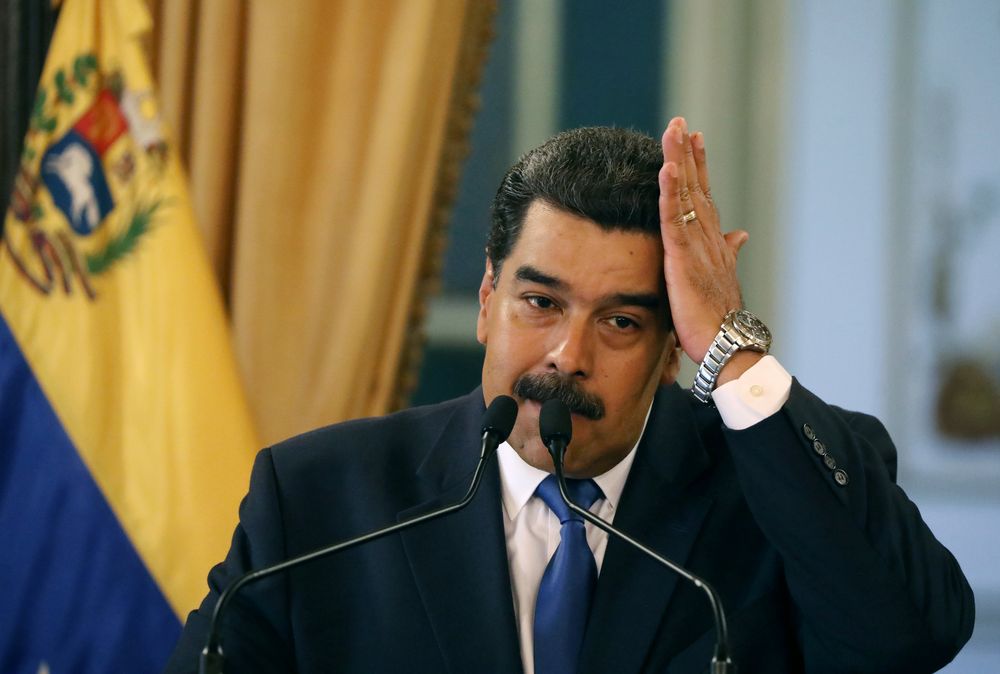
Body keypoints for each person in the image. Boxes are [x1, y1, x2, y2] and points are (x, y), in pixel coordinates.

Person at [164, 119, 975, 674]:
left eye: (621, 322)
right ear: (486, 301)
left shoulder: (771, 498)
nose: (567, 357)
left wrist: (732, 350)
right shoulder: (319, 501)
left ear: (669, 353)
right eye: (540, 303)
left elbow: (909, 637)